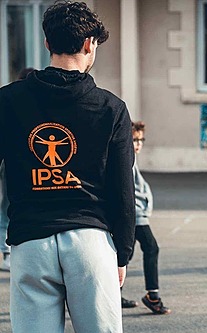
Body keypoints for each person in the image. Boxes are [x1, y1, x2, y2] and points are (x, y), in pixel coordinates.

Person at [0, 2, 136, 332]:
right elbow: (122, 190)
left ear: (47, 43)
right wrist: (123, 253)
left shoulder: (6, 101)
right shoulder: (111, 108)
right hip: (90, 241)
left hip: (30, 241)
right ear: (90, 44)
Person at [121, 121, 172, 314]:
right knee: (151, 248)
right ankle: (153, 296)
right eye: (134, 139)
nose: (138, 144)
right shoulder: (126, 160)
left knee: (126, 254)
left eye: (141, 140)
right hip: (135, 215)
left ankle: (115, 294)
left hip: (136, 214)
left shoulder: (131, 159)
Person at [0, 67, 35, 272]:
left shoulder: (14, 100)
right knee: (7, 205)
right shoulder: (17, 101)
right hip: (14, 161)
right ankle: (6, 251)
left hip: (14, 160)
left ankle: (8, 250)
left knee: (8, 204)